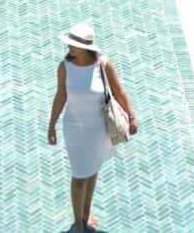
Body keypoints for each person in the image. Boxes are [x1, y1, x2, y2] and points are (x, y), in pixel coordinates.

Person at [49, 22, 138, 233]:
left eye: (74, 44)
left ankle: (86, 213)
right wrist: (51, 125)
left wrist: (132, 117)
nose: (70, 47)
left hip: (99, 129)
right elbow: (61, 95)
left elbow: (119, 92)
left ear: (86, 47)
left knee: (92, 170)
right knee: (80, 175)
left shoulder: (103, 65)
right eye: (69, 43)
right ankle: (78, 224)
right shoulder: (65, 66)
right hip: (74, 129)